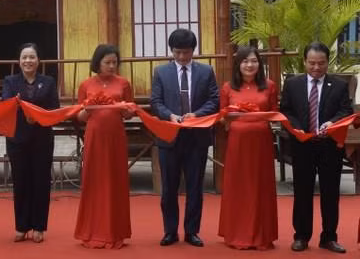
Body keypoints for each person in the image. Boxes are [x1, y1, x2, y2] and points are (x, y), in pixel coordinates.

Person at [280, 42, 352, 253]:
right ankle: (301, 236)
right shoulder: (293, 84)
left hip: (330, 146)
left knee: (330, 193)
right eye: (312, 63)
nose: (316, 68)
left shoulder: (338, 85)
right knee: (302, 191)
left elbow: (346, 111)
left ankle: (329, 237)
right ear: (304, 62)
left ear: (327, 63)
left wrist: (333, 122)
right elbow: (286, 111)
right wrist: (296, 128)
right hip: (303, 145)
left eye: (321, 63)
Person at [150, 28, 218, 247]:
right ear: (171, 51)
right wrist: (169, 115)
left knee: (195, 187)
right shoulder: (160, 72)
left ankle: (192, 231)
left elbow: (214, 100)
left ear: (193, 51)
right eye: (177, 52)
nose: (181, 57)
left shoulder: (206, 72)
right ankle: (170, 231)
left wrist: (196, 115)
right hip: (169, 137)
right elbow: (155, 102)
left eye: (186, 52)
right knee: (169, 187)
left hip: (196, 138)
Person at [74, 44, 134, 248]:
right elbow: (80, 116)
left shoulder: (124, 83)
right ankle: (92, 231)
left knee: (116, 181)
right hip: (94, 136)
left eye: (114, 62)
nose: (111, 66)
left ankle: (116, 232)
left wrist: (126, 109)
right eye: (107, 62)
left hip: (116, 137)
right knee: (94, 180)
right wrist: (89, 108)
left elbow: (128, 114)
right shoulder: (86, 85)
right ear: (97, 63)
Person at [218, 46, 278, 249]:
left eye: (253, 61)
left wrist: (254, 115)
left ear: (259, 64)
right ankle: (238, 234)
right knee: (239, 187)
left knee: (260, 187)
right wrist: (235, 115)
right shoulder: (228, 87)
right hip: (238, 144)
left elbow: (274, 114)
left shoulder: (269, 86)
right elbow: (222, 117)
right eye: (245, 61)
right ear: (238, 64)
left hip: (261, 144)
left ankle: (261, 234)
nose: (250, 65)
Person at [2, 43, 58, 243]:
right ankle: (21, 226)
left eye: (32, 57)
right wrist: (19, 108)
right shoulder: (10, 81)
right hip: (17, 139)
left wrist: (38, 116)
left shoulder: (49, 81)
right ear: (19, 60)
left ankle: (39, 226)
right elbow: (5, 105)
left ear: (38, 60)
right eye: (24, 57)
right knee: (21, 182)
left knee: (41, 182)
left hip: (42, 138)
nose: (28, 61)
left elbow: (54, 109)